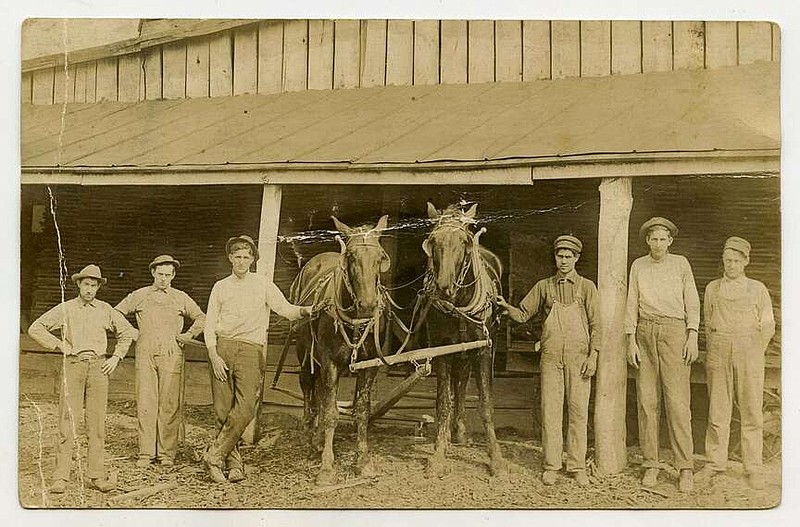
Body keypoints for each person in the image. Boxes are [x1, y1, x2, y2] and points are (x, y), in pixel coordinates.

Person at [203, 235, 312, 483]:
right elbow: (209, 325)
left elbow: (286, 310)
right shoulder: (220, 286)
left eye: (246, 257)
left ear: (252, 260)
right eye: (237, 256)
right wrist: (213, 355)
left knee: (245, 409)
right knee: (223, 411)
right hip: (222, 348)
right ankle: (234, 465)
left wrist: (308, 310)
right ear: (230, 258)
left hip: (251, 350)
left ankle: (214, 455)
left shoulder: (263, 284)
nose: (242, 261)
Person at [496, 235, 601, 487]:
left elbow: (597, 325)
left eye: (568, 256)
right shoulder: (544, 286)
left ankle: (577, 466)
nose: (563, 261)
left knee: (577, 412)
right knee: (551, 411)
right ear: (555, 257)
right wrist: (506, 307)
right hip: (551, 357)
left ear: (576, 258)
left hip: (579, 358)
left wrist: (593, 356)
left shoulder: (587, 287)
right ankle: (552, 465)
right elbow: (523, 314)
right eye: (559, 256)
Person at [28, 264, 138, 494]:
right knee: (67, 421)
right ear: (78, 284)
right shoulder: (66, 308)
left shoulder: (105, 309)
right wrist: (60, 345)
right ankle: (61, 477)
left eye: (93, 285)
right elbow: (36, 328)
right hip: (73, 366)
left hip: (99, 368)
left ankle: (96, 475)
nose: (89, 289)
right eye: (86, 284)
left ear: (98, 287)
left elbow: (128, 332)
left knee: (96, 423)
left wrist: (116, 357)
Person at [625, 217, 700, 492]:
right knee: (647, 401)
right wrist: (630, 340)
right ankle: (651, 464)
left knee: (678, 403)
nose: (658, 244)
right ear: (647, 241)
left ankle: (685, 468)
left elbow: (692, 300)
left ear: (670, 241)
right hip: (645, 331)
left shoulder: (680, 264)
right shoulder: (638, 265)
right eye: (653, 239)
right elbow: (631, 301)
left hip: (674, 331)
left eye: (662, 239)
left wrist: (692, 335)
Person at [696, 237, 775, 490]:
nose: (730, 265)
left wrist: (755, 350)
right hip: (719, 349)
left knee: (751, 410)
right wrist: (716, 347)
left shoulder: (757, 289)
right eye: (727, 260)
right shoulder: (713, 288)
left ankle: (753, 468)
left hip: (749, 350)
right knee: (718, 409)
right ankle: (714, 463)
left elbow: (768, 325)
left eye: (735, 261)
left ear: (746, 262)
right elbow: (708, 321)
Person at [115, 255, 205, 468]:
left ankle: (166, 453)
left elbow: (201, 317)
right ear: (153, 273)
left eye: (168, 275)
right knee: (146, 402)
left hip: (171, 352)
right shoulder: (140, 295)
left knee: (169, 403)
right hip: (145, 351)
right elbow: (116, 313)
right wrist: (131, 331)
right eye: (160, 274)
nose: (164, 278)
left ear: (173, 276)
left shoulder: (180, 297)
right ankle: (146, 453)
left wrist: (189, 334)